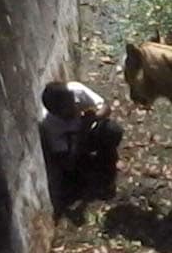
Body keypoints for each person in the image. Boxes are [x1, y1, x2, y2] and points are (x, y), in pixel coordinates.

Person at [39, 81, 123, 215]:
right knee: (74, 177)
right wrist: (79, 138)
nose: (73, 108)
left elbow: (105, 107)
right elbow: (66, 162)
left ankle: (106, 166)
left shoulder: (77, 91)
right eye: (66, 109)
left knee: (112, 130)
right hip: (75, 148)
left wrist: (94, 117)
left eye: (72, 102)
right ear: (56, 112)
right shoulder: (50, 125)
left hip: (90, 132)